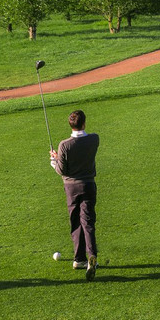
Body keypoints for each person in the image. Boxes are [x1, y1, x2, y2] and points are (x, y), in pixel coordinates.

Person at [50, 109, 99, 280]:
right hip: (88, 185)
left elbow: (61, 170)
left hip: (71, 188)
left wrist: (54, 160)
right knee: (88, 222)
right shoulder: (94, 139)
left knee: (76, 222)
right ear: (84, 123)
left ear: (70, 125)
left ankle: (79, 259)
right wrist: (60, 157)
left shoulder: (64, 145)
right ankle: (92, 255)